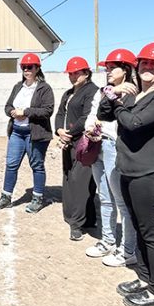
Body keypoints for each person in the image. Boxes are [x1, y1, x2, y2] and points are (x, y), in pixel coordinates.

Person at [98, 41, 154, 306]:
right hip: (132, 172)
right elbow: (104, 114)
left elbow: (132, 124)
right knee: (138, 226)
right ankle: (145, 279)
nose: (148, 67)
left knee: (152, 234)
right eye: (144, 63)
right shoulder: (137, 95)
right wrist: (113, 93)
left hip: (153, 174)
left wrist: (118, 102)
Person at [83, 49, 138, 267]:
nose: (107, 71)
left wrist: (114, 92)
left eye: (112, 68)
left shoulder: (131, 92)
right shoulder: (103, 91)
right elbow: (94, 113)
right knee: (104, 196)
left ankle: (128, 249)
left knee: (121, 201)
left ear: (126, 69)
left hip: (115, 146)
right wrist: (89, 128)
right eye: (106, 68)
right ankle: (107, 240)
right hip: (98, 143)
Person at [0, 53, 54, 213]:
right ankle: (5, 197)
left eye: (30, 67)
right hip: (17, 132)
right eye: (24, 67)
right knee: (11, 165)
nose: (26, 70)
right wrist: (11, 111)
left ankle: (38, 198)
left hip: (35, 134)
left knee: (37, 165)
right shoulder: (18, 86)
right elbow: (7, 106)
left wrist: (25, 112)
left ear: (37, 68)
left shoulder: (44, 88)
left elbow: (47, 110)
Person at [55, 56, 98, 241]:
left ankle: (77, 223)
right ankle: (78, 217)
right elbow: (60, 113)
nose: (72, 76)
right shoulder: (68, 93)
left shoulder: (92, 91)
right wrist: (59, 130)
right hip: (68, 140)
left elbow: (87, 117)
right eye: (70, 73)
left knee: (82, 182)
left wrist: (69, 134)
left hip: (84, 142)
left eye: (76, 73)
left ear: (86, 73)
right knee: (69, 178)